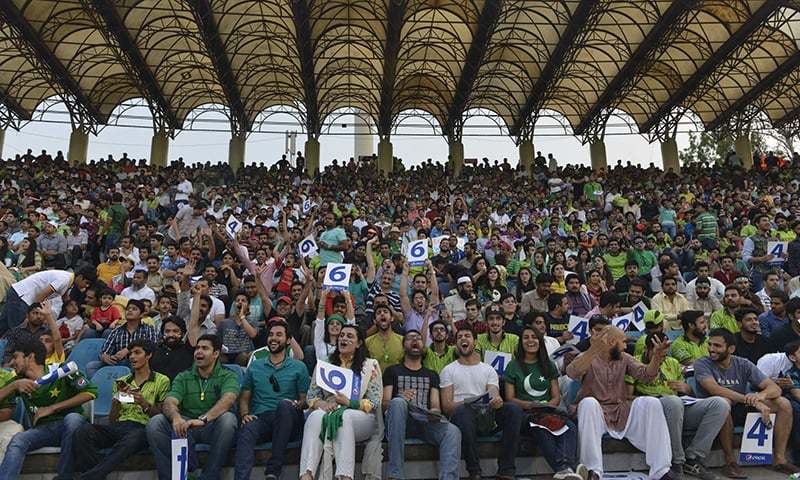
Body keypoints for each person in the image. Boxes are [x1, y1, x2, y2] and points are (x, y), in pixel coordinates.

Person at [566, 326, 673, 479]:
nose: (625, 346)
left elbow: (646, 375)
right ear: (611, 342)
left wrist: (656, 357)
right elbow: (572, 372)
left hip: (621, 411)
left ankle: (661, 470)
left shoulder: (624, 357)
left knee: (652, 403)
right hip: (595, 415)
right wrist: (594, 349)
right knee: (588, 403)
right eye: (623, 342)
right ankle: (592, 471)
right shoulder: (586, 357)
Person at [695, 328, 800, 476]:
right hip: (714, 410)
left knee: (783, 403)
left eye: (717, 346)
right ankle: (730, 461)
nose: (711, 349)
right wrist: (753, 401)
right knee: (723, 402)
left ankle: (780, 459)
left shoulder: (742, 363)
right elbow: (714, 389)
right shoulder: (702, 363)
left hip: (742, 405)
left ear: (731, 349)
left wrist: (761, 396)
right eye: (710, 344)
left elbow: (774, 388)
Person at [628, 332, 729, 480]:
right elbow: (627, 397)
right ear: (647, 350)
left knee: (721, 404)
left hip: (677, 408)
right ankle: (677, 461)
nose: (663, 359)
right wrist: (653, 400)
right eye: (659, 355)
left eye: (664, 355)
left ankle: (693, 457)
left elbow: (685, 393)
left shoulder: (673, 363)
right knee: (672, 402)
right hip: (651, 412)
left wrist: (687, 389)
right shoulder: (634, 363)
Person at [0, 334, 97, 479]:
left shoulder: (62, 369)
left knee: (72, 419)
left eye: (16, 357)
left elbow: (90, 392)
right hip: (44, 430)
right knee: (18, 440)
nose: (12, 362)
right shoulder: (19, 381)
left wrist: (52, 408)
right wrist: (13, 386)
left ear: (29, 357)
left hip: (72, 425)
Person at [146, 334, 240, 480]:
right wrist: (176, 418)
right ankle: (173, 477)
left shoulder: (228, 375)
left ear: (215, 354)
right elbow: (170, 401)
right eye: (197, 348)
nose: (198, 352)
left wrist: (203, 419)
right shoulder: (184, 376)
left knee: (228, 419)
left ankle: (209, 476)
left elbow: (228, 400)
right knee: (155, 422)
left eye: (204, 348)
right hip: (185, 427)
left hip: (212, 426)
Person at [73, 339, 170, 479]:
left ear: (148, 355)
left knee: (133, 438)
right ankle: (95, 475)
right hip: (120, 425)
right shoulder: (122, 381)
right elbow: (112, 420)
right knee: (83, 431)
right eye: (130, 353)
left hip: (143, 428)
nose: (132, 357)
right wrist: (115, 404)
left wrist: (143, 403)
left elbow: (161, 416)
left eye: (137, 353)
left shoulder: (162, 380)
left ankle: (88, 477)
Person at [300, 325, 382, 480]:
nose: (344, 338)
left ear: (359, 343)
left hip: (361, 417)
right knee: (315, 417)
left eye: (350, 336)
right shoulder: (325, 364)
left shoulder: (370, 365)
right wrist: (322, 405)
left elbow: (374, 401)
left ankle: (345, 477)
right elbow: (311, 396)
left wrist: (349, 403)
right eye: (342, 335)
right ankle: (306, 475)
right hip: (329, 410)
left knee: (344, 417)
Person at [440, 326, 523, 480]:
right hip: (462, 417)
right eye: (459, 337)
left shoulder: (488, 369)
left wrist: (496, 401)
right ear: (456, 344)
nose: (463, 339)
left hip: (486, 415)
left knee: (514, 410)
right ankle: (474, 472)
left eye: (467, 336)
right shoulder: (448, 370)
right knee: (464, 412)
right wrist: (470, 402)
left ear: (475, 342)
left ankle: (506, 469)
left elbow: (493, 394)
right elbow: (447, 407)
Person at [504, 326, 584, 480]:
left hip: (547, 411)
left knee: (570, 427)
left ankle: (565, 470)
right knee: (543, 429)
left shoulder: (548, 364)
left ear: (540, 341)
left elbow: (555, 396)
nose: (530, 340)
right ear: (521, 342)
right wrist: (529, 405)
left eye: (534, 337)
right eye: (526, 337)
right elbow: (510, 398)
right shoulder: (512, 366)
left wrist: (548, 405)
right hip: (526, 414)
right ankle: (567, 469)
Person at [235, 320, 309, 480]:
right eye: (271, 335)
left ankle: (273, 471)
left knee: (283, 406)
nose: (274, 338)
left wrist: (296, 404)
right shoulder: (255, 366)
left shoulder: (299, 367)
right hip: (261, 418)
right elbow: (244, 397)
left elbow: (305, 401)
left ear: (288, 340)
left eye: (279, 335)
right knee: (247, 428)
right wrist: (245, 414)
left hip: (289, 418)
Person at [383, 329, 461, 480]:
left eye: (418, 338)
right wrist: (400, 397)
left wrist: (434, 413)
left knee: (452, 431)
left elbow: (435, 405)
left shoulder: (431, 374)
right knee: (398, 403)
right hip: (399, 422)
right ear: (403, 345)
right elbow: (385, 404)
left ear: (423, 346)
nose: (415, 340)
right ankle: (395, 475)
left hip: (424, 422)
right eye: (410, 338)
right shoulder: (392, 371)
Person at [0, 268, 95, 335]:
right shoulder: (64, 279)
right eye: (86, 283)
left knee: (3, 325)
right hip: (22, 296)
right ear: (80, 277)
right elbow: (42, 294)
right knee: (19, 331)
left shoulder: (69, 280)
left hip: (18, 293)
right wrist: (33, 312)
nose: (86, 286)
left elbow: (65, 298)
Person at [88, 299, 159, 377]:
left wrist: (129, 349)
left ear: (141, 315)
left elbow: (153, 346)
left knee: (135, 363)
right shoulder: (116, 331)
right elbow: (105, 351)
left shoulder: (148, 329)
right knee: (91, 366)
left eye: (134, 309)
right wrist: (104, 356)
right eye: (128, 309)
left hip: (138, 362)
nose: (130, 311)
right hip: (117, 363)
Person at [150, 315, 196, 380]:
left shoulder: (189, 350)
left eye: (175, 331)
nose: (171, 335)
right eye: (167, 331)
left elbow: (194, 324)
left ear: (183, 333)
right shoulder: (154, 351)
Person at [366, 304, 405, 373]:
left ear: (392, 318)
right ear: (374, 321)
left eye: (385, 312)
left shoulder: (402, 340)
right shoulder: (368, 342)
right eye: (379, 312)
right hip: (375, 381)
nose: (382, 314)